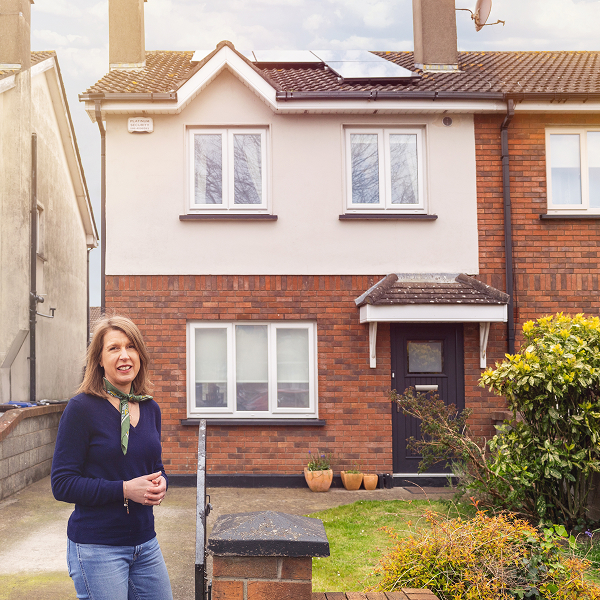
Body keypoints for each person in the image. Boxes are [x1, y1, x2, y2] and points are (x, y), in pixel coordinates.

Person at [51, 315, 173, 600]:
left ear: (140, 355)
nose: (124, 355)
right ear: (99, 360)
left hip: (145, 543)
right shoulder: (81, 409)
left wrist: (162, 482)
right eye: (114, 348)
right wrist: (126, 489)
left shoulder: (150, 408)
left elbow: (154, 466)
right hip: (97, 547)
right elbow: (62, 483)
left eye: (131, 347)